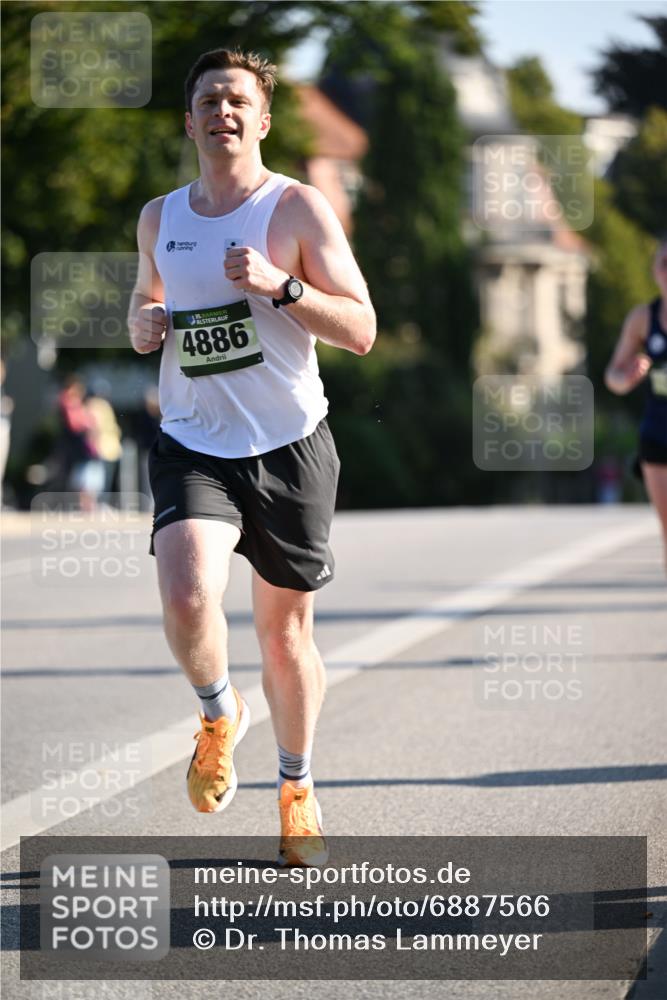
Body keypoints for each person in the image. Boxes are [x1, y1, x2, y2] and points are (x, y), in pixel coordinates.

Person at [127, 48, 376, 864]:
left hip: (288, 444)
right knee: (189, 589)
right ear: (189, 120)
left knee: (282, 634)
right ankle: (215, 713)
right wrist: (143, 323)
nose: (222, 112)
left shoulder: (297, 208)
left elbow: (363, 329)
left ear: (261, 120)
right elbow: (146, 297)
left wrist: (282, 287)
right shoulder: (161, 217)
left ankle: (297, 786)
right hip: (193, 439)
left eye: (237, 100)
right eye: (208, 101)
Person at [605, 236, 667, 573]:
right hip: (658, 434)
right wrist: (627, 377)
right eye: (665, 264)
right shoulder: (644, 318)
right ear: (655, 270)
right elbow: (612, 377)